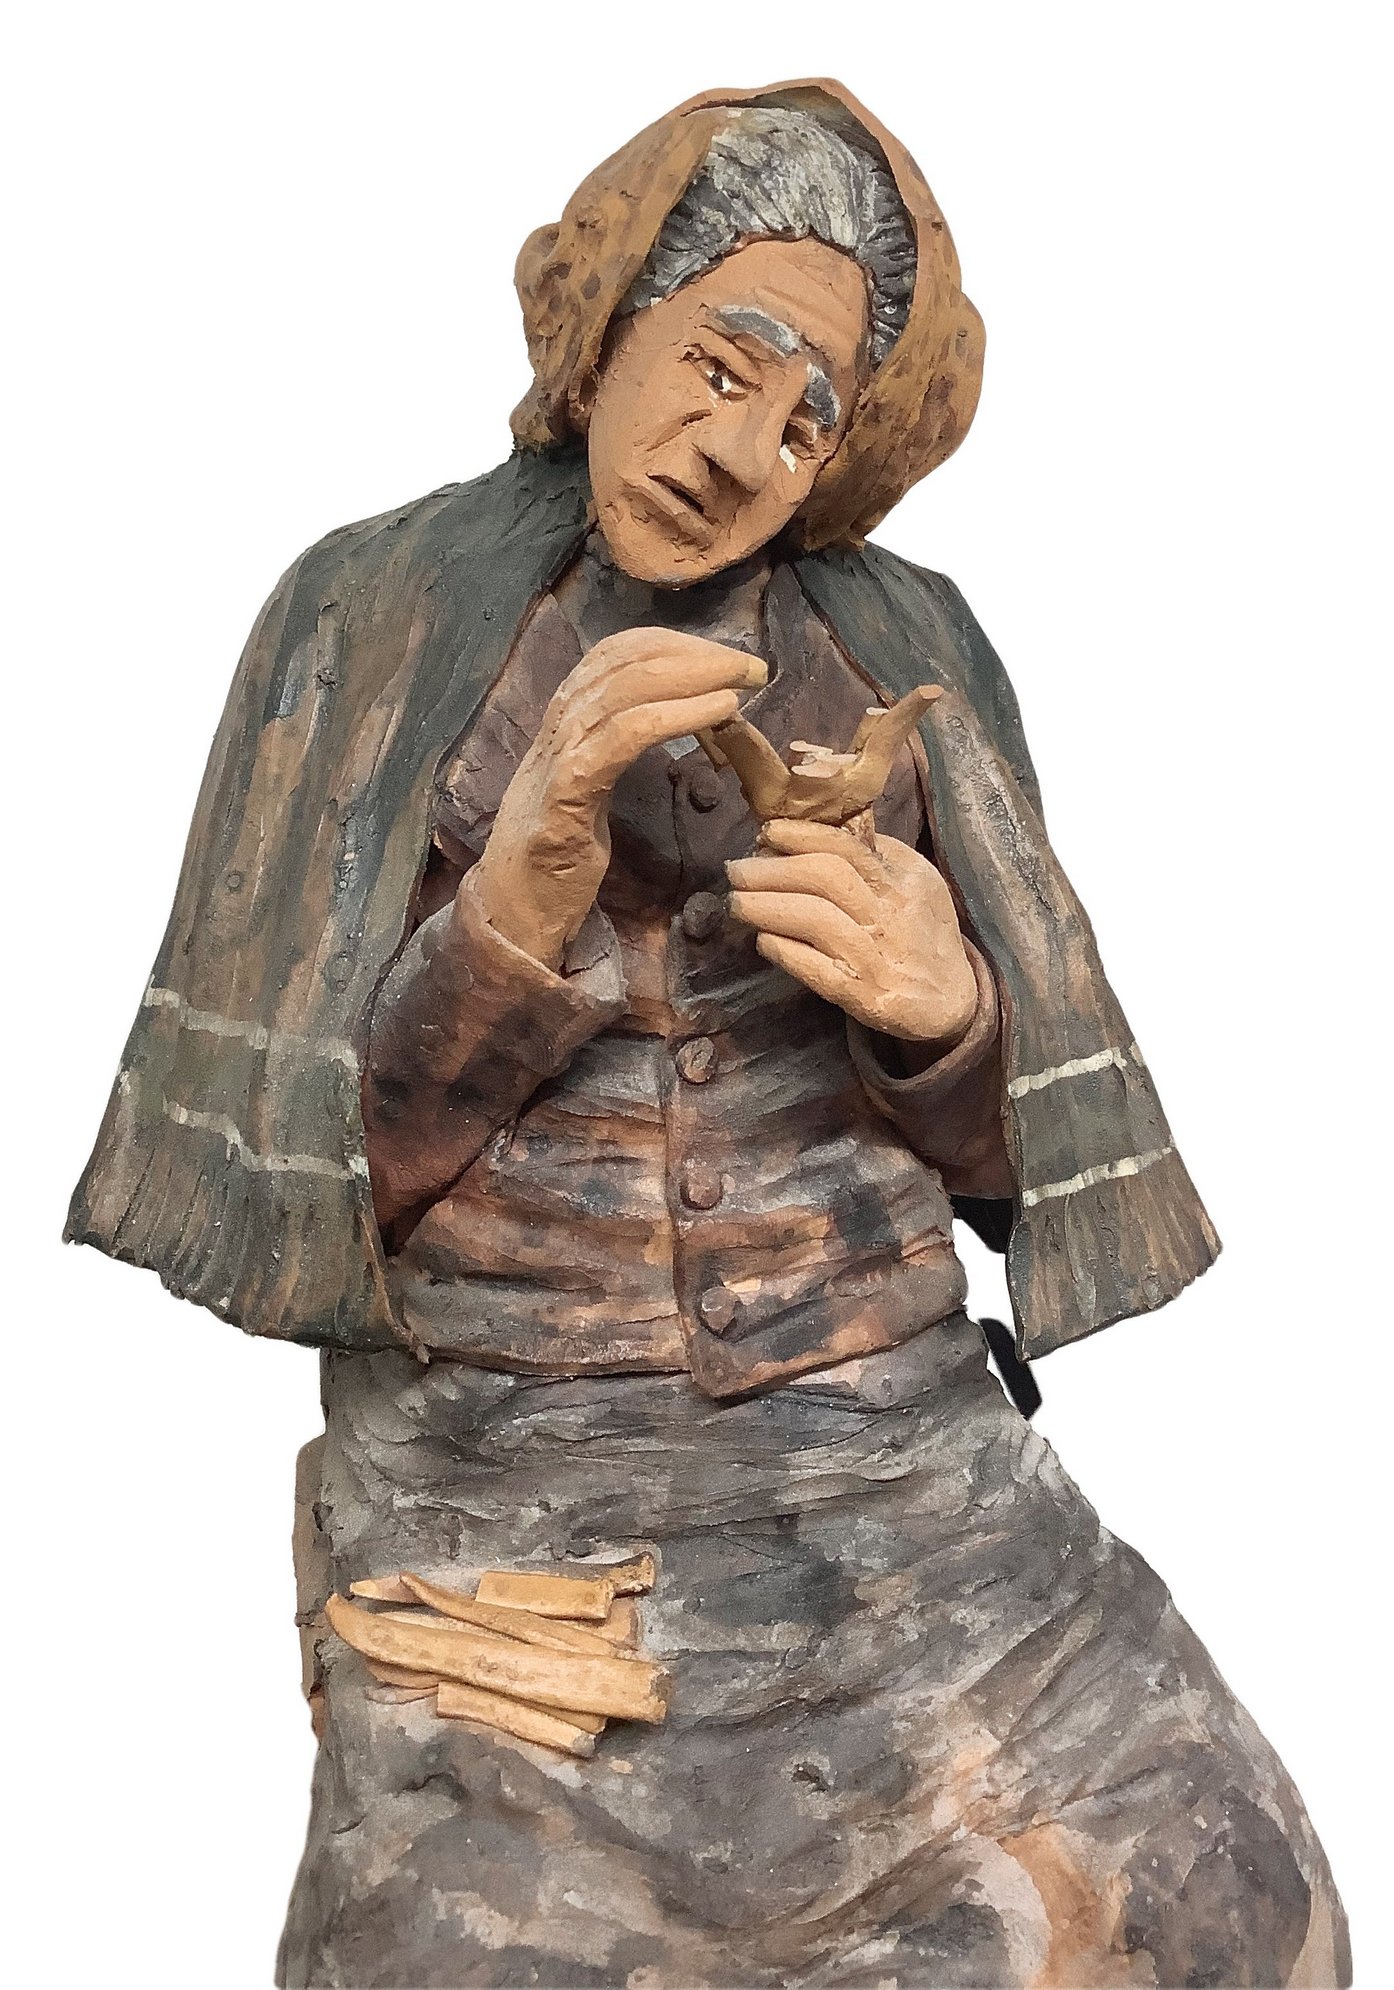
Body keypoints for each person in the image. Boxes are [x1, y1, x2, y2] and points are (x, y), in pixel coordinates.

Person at [68, 80, 1349, 1989]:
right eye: (717, 361)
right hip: (515, 1507)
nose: (740, 448)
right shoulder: (366, 622)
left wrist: (946, 1015)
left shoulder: (908, 653)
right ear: (603, 333)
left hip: (908, 1491)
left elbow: (1040, 1182)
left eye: (805, 416)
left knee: (1226, 1897)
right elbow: (292, 1206)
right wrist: (506, 919)